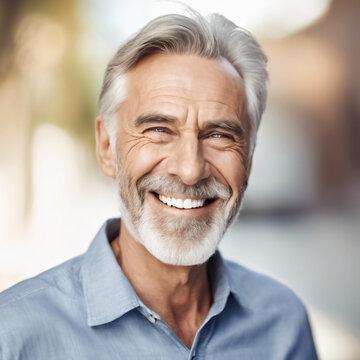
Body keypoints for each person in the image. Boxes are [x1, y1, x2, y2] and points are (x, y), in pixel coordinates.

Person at [0, 9, 318, 360]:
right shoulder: (15, 336)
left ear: (249, 161)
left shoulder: (284, 325)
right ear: (107, 148)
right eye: (158, 130)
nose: (190, 169)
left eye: (219, 135)